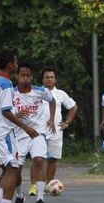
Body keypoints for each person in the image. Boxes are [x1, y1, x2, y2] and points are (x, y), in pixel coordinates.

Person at [0, 49, 38, 203]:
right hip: (3, 131)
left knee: (9, 169)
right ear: (10, 65)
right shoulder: (6, 84)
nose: (17, 65)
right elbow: (6, 111)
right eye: (15, 62)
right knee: (14, 169)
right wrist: (26, 127)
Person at [12, 62, 55, 203]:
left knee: (38, 160)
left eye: (27, 75)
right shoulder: (11, 93)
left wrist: (51, 118)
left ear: (31, 77)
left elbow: (52, 100)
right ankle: (19, 196)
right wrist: (15, 115)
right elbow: (4, 112)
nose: (25, 78)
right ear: (17, 76)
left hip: (37, 133)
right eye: (22, 75)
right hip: (19, 134)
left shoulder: (39, 91)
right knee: (15, 169)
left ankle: (40, 198)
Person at [27, 67, 78, 195]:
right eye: (47, 77)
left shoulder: (60, 94)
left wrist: (67, 122)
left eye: (52, 77)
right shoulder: (36, 92)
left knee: (52, 159)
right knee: (37, 159)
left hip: (55, 130)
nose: (49, 79)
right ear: (42, 79)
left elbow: (73, 107)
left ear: (55, 79)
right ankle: (33, 186)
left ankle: (48, 185)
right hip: (38, 130)